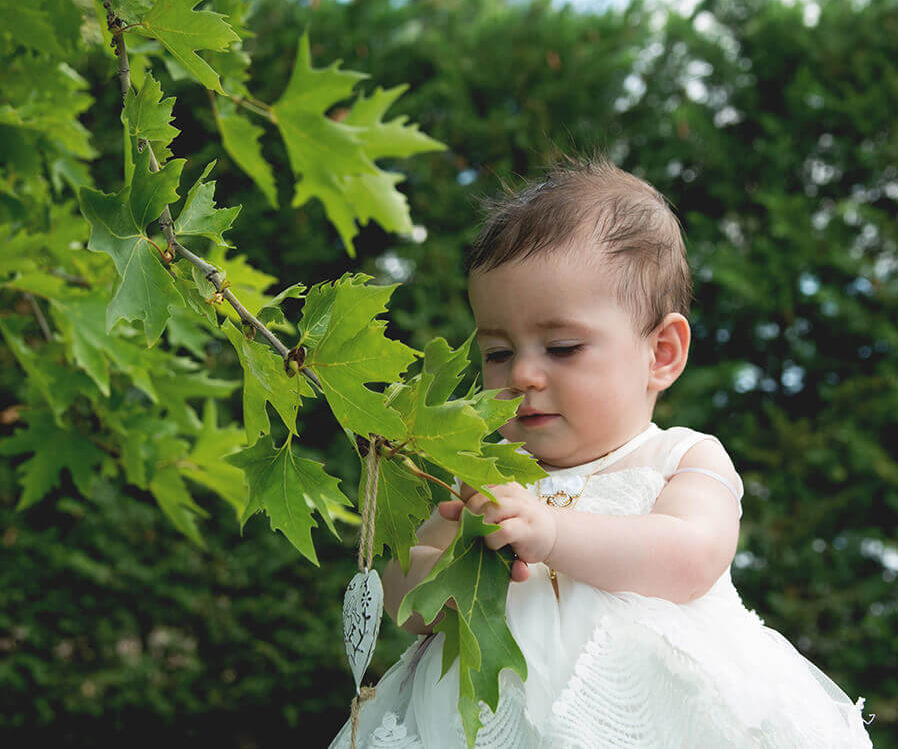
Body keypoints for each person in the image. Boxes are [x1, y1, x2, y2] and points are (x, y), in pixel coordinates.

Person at [330, 157, 872, 747]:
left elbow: (691, 557)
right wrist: (446, 567)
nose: (524, 374)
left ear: (661, 352)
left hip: (644, 711)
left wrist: (554, 533)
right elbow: (408, 603)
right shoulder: (489, 478)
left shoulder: (680, 459)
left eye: (561, 347)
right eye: (498, 353)